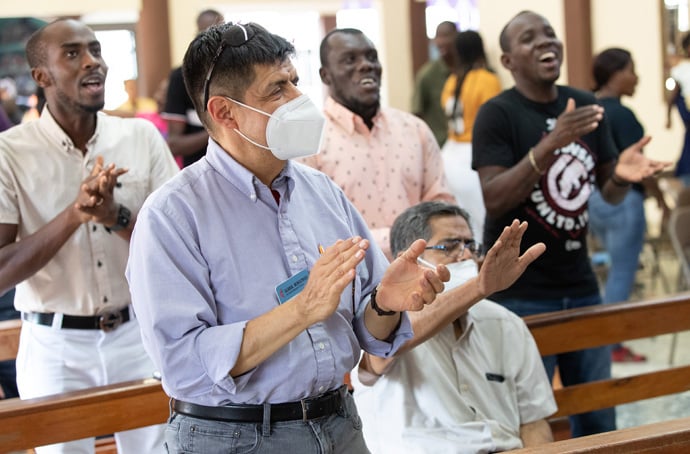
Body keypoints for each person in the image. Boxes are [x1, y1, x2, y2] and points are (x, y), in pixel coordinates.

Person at [125, 21, 450, 454]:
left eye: (295, 82)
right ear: (224, 112)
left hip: (337, 422)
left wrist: (384, 303)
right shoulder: (173, 215)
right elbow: (184, 364)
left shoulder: (321, 192)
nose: (300, 99)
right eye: (277, 90)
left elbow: (367, 334)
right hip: (235, 437)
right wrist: (302, 309)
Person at [471, 11, 669, 437]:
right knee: (527, 421)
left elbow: (607, 192)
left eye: (549, 34)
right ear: (508, 61)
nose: (546, 42)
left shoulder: (586, 105)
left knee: (597, 412)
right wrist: (551, 143)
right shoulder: (497, 114)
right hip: (519, 292)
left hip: (580, 286)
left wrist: (621, 176)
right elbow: (495, 195)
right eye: (529, 38)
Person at [0, 19, 179, 453]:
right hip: (55, 346)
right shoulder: (10, 154)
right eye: (73, 53)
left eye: (96, 50)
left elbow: (178, 248)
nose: (92, 62)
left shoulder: (140, 137)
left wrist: (114, 215)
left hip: (139, 334)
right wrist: (76, 214)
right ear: (41, 76)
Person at [352, 201, 554, 453]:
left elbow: (534, 423)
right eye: (449, 246)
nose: (467, 254)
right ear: (409, 259)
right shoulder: (381, 320)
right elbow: (385, 345)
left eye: (470, 245)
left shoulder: (505, 324)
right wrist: (480, 287)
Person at [300, 28, 455, 260]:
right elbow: (314, 230)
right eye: (350, 59)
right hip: (352, 288)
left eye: (372, 57)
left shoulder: (415, 130)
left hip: (424, 278)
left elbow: (442, 208)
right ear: (325, 75)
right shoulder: (308, 140)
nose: (366, 65)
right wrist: (400, 240)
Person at [588, 48, 670, 362]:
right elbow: (642, 166)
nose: (637, 77)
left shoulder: (589, 108)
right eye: (631, 70)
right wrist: (661, 199)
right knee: (622, 272)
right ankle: (611, 344)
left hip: (594, 201)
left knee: (612, 270)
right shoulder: (622, 114)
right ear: (615, 74)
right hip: (622, 200)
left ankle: (607, 336)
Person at [440, 30, 501, 243]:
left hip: (449, 155)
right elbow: (493, 120)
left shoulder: (452, 81)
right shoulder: (487, 80)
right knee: (484, 226)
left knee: (462, 224)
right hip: (473, 156)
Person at [162, 9, 224, 167]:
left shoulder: (236, 73)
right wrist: (217, 129)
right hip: (200, 174)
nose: (216, 42)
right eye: (209, 34)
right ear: (198, 36)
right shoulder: (180, 77)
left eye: (222, 34)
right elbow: (174, 145)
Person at [412, 21, 458, 147]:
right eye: (437, 37)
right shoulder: (427, 75)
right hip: (440, 146)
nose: (440, 42)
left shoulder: (468, 71)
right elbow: (417, 114)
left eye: (446, 36)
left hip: (466, 146)